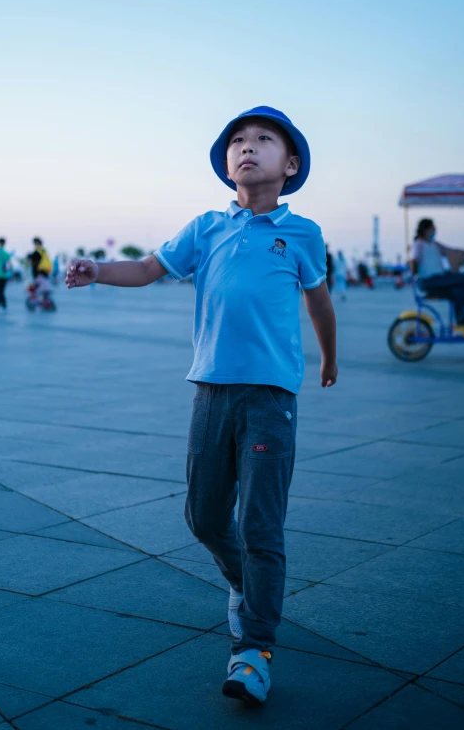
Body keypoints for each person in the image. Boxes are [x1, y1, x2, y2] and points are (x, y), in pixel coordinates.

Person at [65, 106, 338, 706]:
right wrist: (97, 271)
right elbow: (145, 268)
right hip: (211, 392)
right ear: (224, 163)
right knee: (205, 517)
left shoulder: (303, 234)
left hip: (270, 396)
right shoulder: (206, 228)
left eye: (264, 140)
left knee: (262, 524)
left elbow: (318, 300)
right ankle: (244, 581)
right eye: (237, 141)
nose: (248, 147)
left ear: (289, 165)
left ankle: (253, 651)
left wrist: (329, 357)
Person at [411, 218, 464, 325]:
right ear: (426, 230)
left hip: (439, 279)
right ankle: (461, 319)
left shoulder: (434, 245)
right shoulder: (419, 244)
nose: (435, 230)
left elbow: (450, 251)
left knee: (459, 291)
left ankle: (461, 320)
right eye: (433, 228)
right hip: (428, 281)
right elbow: (414, 260)